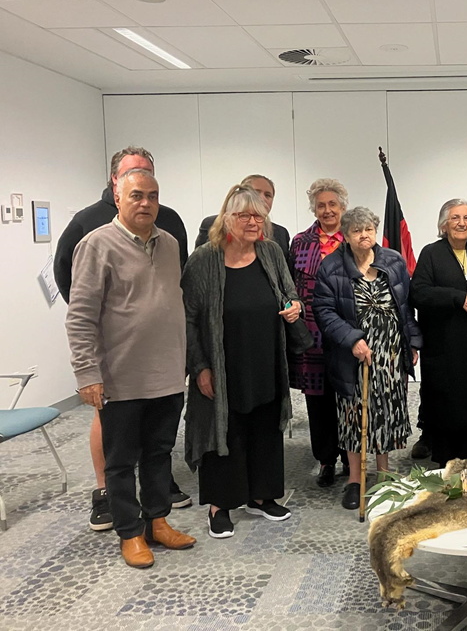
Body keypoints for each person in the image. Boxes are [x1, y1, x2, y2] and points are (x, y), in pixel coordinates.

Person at [53, 146, 191, 532]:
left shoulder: (169, 243)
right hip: (119, 374)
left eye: (152, 196)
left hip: (165, 372)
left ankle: (158, 521)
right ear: (117, 195)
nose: (145, 203)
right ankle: (130, 532)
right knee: (119, 460)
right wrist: (87, 373)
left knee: (159, 453)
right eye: (136, 195)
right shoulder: (96, 244)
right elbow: (79, 316)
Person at [182, 183, 301, 539]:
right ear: (226, 218)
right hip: (222, 362)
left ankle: (261, 496)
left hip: (265, 357)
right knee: (226, 429)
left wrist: (295, 307)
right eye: (244, 215)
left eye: (259, 216)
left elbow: (289, 292)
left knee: (265, 425)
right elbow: (187, 319)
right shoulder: (204, 259)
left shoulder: (271, 252)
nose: (253, 222)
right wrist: (200, 366)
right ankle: (220, 505)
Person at [313, 207, 422, 511]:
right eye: (357, 231)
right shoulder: (332, 267)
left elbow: (405, 307)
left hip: (390, 351)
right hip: (353, 356)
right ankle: (355, 480)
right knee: (353, 414)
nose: (364, 236)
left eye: (369, 230)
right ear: (345, 236)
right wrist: (352, 340)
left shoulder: (393, 261)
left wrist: (412, 341)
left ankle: (385, 473)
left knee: (385, 410)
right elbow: (324, 312)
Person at [411, 199, 467, 465]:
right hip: (443, 346)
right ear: (443, 224)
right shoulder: (431, 253)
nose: (462, 223)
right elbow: (418, 293)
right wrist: (456, 297)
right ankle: (444, 473)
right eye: (455, 218)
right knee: (444, 411)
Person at [290, 179, 351, 487]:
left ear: (343, 207)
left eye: (332, 204)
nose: (327, 210)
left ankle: (349, 454)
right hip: (311, 334)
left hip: (346, 332)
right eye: (321, 205)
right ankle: (326, 459)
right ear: (314, 208)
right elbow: (290, 285)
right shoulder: (300, 242)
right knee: (318, 400)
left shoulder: (354, 238)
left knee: (347, 395)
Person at [196, 174, 292, 274]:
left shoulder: (280, 233)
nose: (262, 198)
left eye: (268, 195)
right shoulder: (210, 225)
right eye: (256, 192)